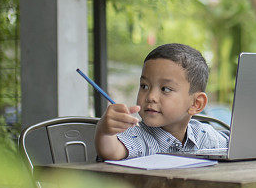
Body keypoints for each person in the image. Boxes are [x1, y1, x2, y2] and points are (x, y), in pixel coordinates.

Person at [94, 43, 229, 160]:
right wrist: (105, 132)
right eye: (144, 86)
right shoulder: (137, 136)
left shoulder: (204, 135)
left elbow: (237, 146)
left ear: (196, 104)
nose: (151, 96)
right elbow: (111, 151)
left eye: (165, 89)